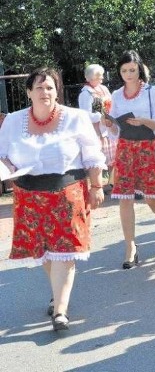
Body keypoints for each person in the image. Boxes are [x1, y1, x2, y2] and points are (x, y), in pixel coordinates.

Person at [0, 67, 106, 331]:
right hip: (28, 195)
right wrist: (8, 168)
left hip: (66, 192)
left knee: (65, 253)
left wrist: (96, 185)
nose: (44, 92)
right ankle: (58, 293)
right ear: (28, 92)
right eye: (38, 87)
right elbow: (4, 154)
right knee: (45, 252)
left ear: (57, 91)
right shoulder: (13, 121)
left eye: (49, 87)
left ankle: (60, 311)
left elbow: (92, 153)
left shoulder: (76, 118)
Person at [107, 50, 155, 268]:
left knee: (153, 198)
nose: (128, 74)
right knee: (125, 198)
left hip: (147, 147)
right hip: (124, 148)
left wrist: (144, 121)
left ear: (139, 68)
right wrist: (109, 124)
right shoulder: (115, 95)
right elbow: (114, 127)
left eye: (132, 70)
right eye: (124, 70)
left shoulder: (151, 92)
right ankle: (130, 246)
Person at [77, 64, 115, 190]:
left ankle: (113, 182)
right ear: (90, 78)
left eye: (101, 75)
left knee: (113, 156)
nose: (102, 78)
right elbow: (85, 114)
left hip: (109, 127)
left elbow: (112, 104)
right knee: (100, 157)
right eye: (99, 76)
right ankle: (99, 184)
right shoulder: (86, 93)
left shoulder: (103, 89)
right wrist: (101, 117)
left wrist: (111, 115)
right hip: (97, 130)